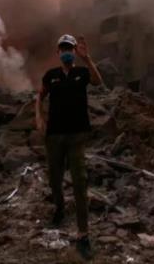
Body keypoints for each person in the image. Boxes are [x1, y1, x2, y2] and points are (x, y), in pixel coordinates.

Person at [35, 34, 103, 261]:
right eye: (63, 48)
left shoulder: (81, 73)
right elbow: (40, 95)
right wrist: (39, 117)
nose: (66, 51)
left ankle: (83, 236)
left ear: (74, 52)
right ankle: (59, 208)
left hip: (76, 135)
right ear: (58, 52)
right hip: (54, 136)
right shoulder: (51, 75)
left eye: (70, 48)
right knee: (54, 179)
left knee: (79, 182)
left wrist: (88, 58)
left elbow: (98, 81)